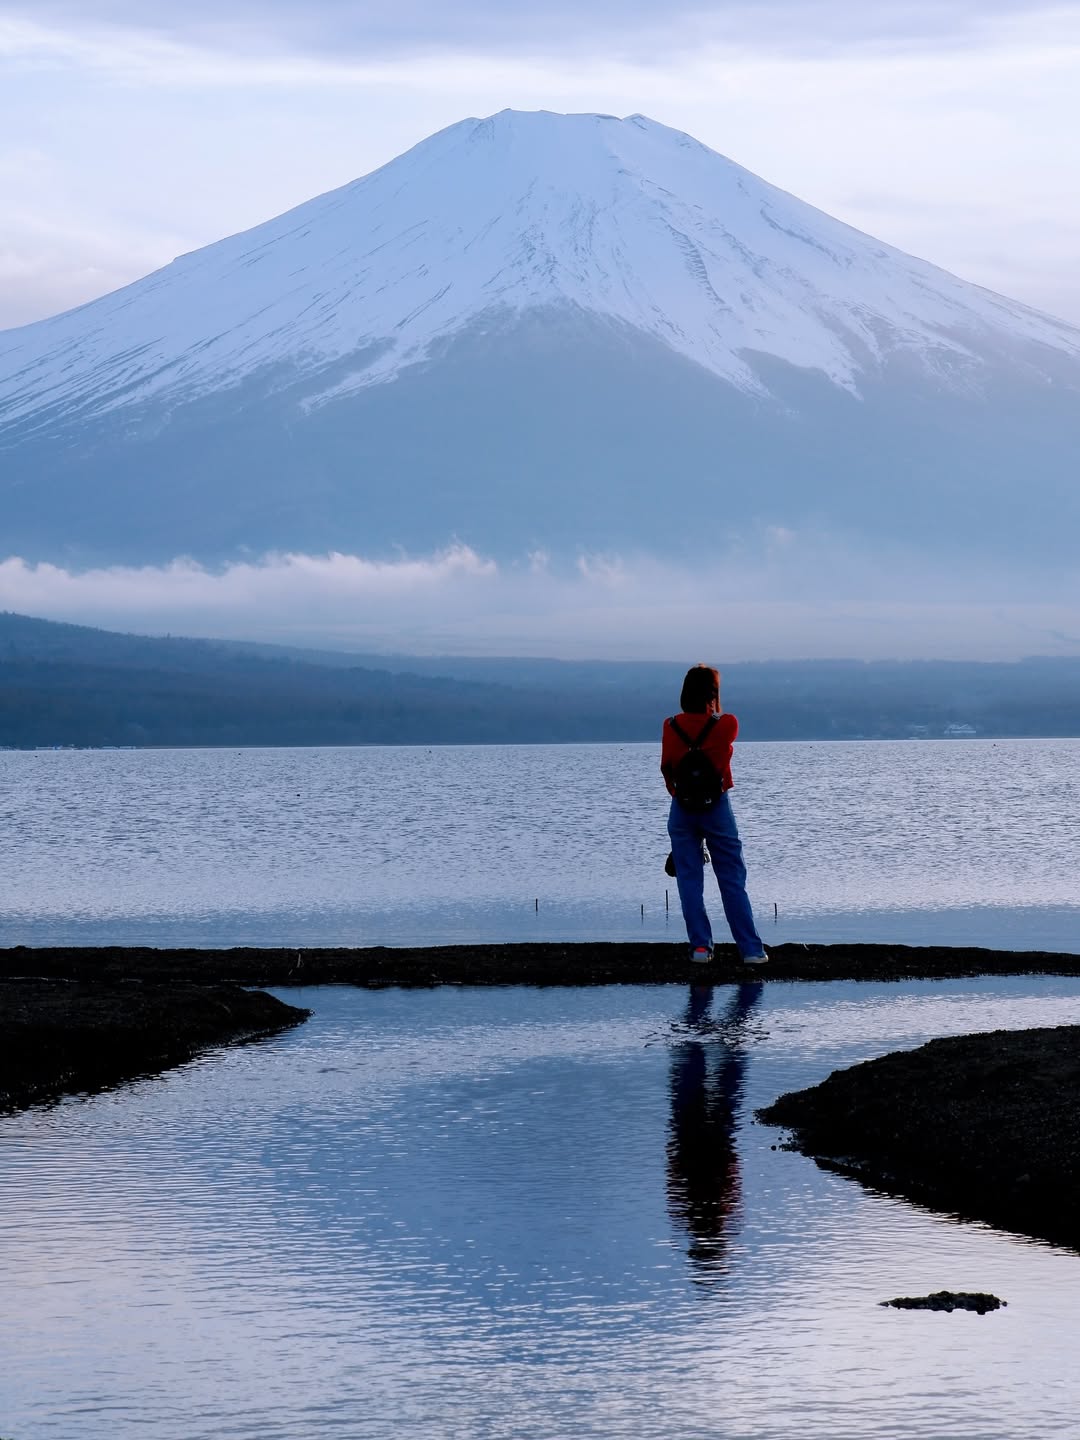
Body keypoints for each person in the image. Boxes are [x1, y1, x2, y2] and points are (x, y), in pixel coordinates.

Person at [661, 663, 768, 964]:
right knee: (731, 878)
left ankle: (700, 948)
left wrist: (682, 797)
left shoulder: (670, 726)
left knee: (689, 880)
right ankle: (751, 950)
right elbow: (721, 722)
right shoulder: (727, 723)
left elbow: (667, 769)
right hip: (717, 805)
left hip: (681, 807)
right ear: (713, 694)